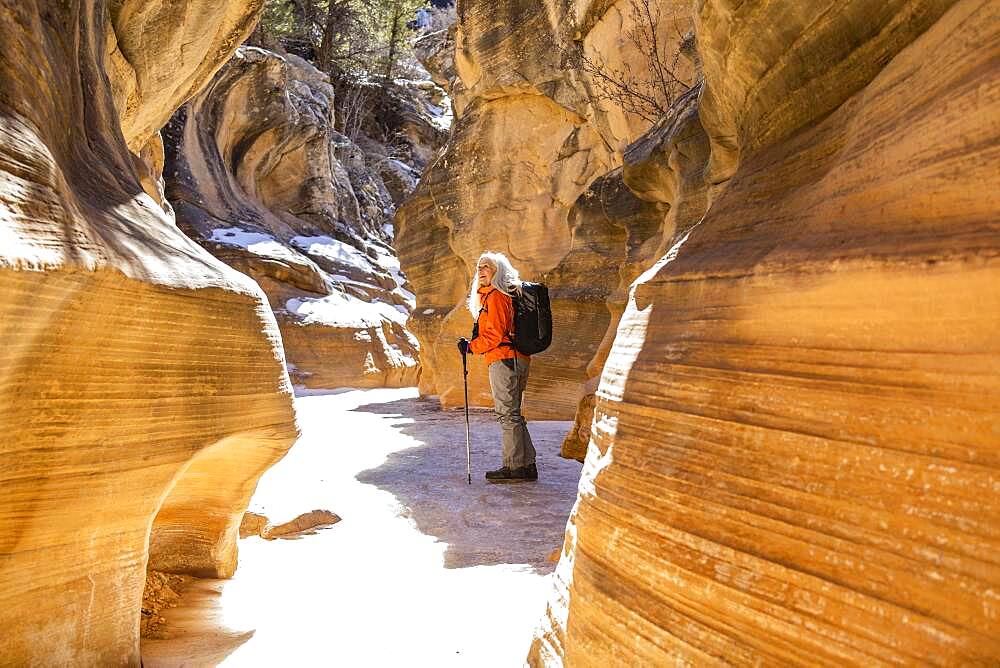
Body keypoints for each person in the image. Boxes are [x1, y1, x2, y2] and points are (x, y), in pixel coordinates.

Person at [457, 252, 537, 482]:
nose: (481, 270)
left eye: (487, 266)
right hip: (517, 358)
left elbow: (494, 335)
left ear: (498, 271)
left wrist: (471, 346)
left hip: (504, 359)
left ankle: (514, 467)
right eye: (479, 266)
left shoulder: (496, 296)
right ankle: (527, 465)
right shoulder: (505, 296)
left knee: (507, 415)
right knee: (514, 415)